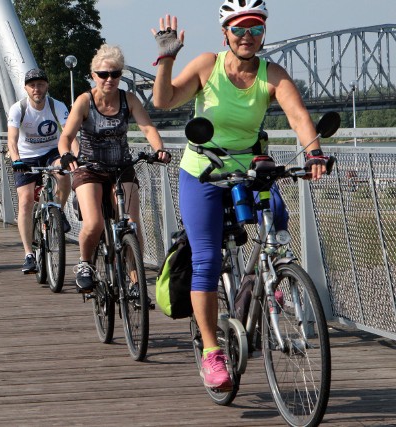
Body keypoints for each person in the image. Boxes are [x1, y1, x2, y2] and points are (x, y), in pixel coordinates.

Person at [150, 0, 329, 391]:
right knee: (208, 259)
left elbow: (298, 115)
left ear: (264, 33)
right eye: (239, 29)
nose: (247, 36)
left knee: (278, 218)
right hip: (204, 172)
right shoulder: (206, 65)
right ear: (225, 33)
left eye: (255, 29)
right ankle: (212, 352)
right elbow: (163, 101)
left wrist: (313, 151)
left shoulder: (272, 74)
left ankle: (272, 279)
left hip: (249, 169)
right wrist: (165, 60)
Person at [58, 44, 171, 292]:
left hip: (121, 167)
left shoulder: (128, 99)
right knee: (95, 223)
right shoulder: (84, 101)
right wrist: (66, 154)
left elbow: (148, 127)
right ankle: (85, 263)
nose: (110, 79)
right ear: (93, 75)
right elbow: (65, 137)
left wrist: (159, 148)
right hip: (89, 168)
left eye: (116, 74)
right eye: (103, 74)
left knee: (131, 222)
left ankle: (134, 281)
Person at [7, 68, 73, 274]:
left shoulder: (57, 106)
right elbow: (12, 139)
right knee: (26, 200)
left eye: (41, 84)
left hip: (52, 151)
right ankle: (28, 254)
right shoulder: (18, 108)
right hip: (26, 156)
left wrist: (73, 157)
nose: (37, 89)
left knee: (63, 175)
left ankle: (58, 211)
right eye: (32, 85)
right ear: (26, 88)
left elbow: (70, 133)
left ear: (47, 86)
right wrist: (16, 159)